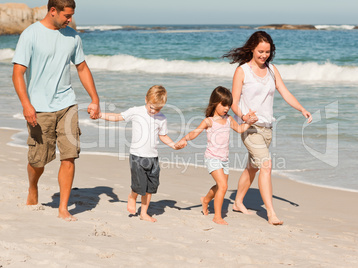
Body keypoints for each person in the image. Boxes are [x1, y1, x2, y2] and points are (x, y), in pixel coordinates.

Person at [12, 0, 100, 221]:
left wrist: (95, 99)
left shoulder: (73, 37)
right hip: (39, 108)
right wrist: (26, 105)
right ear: (53, 11)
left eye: (71, 16)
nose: (69, 20)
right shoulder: (30, 35)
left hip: (67, 104)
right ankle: (33, 188)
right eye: (66, 16)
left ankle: (63, 208)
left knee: (69, 156)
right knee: (38, 160)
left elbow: (81, 67)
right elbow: (18, 73)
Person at [223, 31, 312, 225]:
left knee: (252, 168)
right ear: (252, 49)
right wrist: (244, 116)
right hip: (250, 128)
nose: (264, 55)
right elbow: (233, 102)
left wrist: (301, 108)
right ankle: (271, 213)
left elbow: (285, 92)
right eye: (261, 51)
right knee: (266, 165)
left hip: (267, 129)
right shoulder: (242, 71)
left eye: (268, 52)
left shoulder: (272, 70)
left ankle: (238, 202)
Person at [176, 86, 257, 225]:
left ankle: (206, 199)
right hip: (212, 158)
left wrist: (248, 122)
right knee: (223, 186)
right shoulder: (209, 121)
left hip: (224, 159)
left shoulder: (229, 119)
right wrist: (184, 139)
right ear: (215, 102)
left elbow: (239, 129)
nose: (226, 108)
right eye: (223, 105)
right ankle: (217, 216)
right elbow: (195, 133)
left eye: (228, 105)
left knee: (220, 186)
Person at [100, 85, 180, 223]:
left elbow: (163, 135)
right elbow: (118, 117)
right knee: (139, 185)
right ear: (146, 100)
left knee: (150, 187)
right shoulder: (136, 111)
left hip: (153, 157)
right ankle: (132, 196)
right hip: (137, 156)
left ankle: (144, 212)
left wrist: (173, 144)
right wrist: (101, 115)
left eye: (158, 108)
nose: (154, 111)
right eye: (151, 107)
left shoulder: (162, 118)